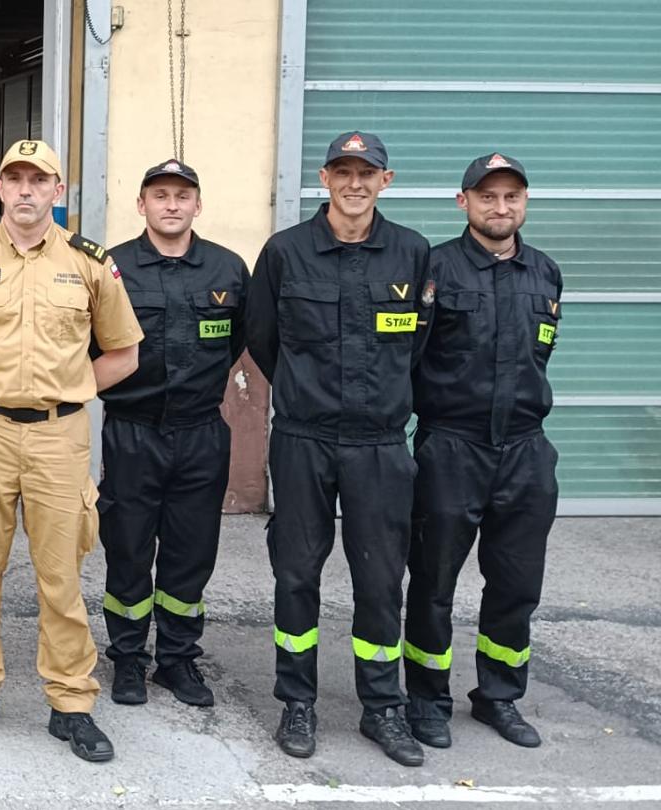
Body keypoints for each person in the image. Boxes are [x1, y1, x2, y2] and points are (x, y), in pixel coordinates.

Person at [0, 139, 140, 762]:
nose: (24, 190)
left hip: (59, 437)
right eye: (14, 179)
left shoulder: (91, 264)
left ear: (57, 192)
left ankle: (71, 703)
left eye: (37, 181)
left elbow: (124, 353)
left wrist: (67, 390)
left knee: (61, 577)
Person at [246, 130, 434, 767]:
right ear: (323, 179)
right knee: (296, 574)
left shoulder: (411, 253)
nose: (355, 184)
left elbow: (422, 347)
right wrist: (307, 395)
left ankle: (383, 706)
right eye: (342, 172)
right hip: (303, 440)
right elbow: (264, 339)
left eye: (367, 173)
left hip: (380, 446)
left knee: (381, 580)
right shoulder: (285, 252)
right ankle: (297, 700)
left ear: (386, 180)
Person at [403, 153, 559, 751]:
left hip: (525, 451)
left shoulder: (545, 273)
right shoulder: (434, 269)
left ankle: (499, 696)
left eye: (511, 197)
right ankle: (427, 698)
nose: (501, 208)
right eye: (487, 196)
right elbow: (409, 359)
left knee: (517, 584)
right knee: (434, 580)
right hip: (452, 449)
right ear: (463, 201)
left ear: (524, 203)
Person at [98, 160, 248, 708]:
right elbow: (95, 346)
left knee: (191, 552)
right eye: (159, 195)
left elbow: (238, 345)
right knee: (128, 549)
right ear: (141, 205)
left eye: (183, 196)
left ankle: (179, 661)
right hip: (132, 433)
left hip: (201, 433)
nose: (171, 205)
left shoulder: (228, 270)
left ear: (198, 205)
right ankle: (129, 660)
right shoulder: (112, 268)